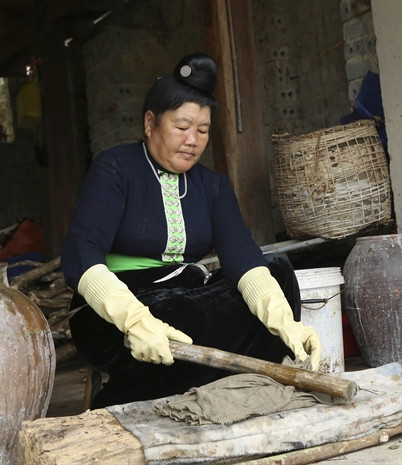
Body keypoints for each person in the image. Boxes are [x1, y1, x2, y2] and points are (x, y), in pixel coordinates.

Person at [61, 52, 321, 408]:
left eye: (202, 130)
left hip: (187, 298)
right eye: (182, 127)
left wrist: (286, 322)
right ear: (150, 123)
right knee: (182, 318)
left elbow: (242, 256)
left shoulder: (213, 186)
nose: (193, 140)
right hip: (113, 310)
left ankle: (208, 382)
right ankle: (125, 398)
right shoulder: (116, 168)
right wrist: (135, 320)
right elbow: (81, 254)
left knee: (278, 274)